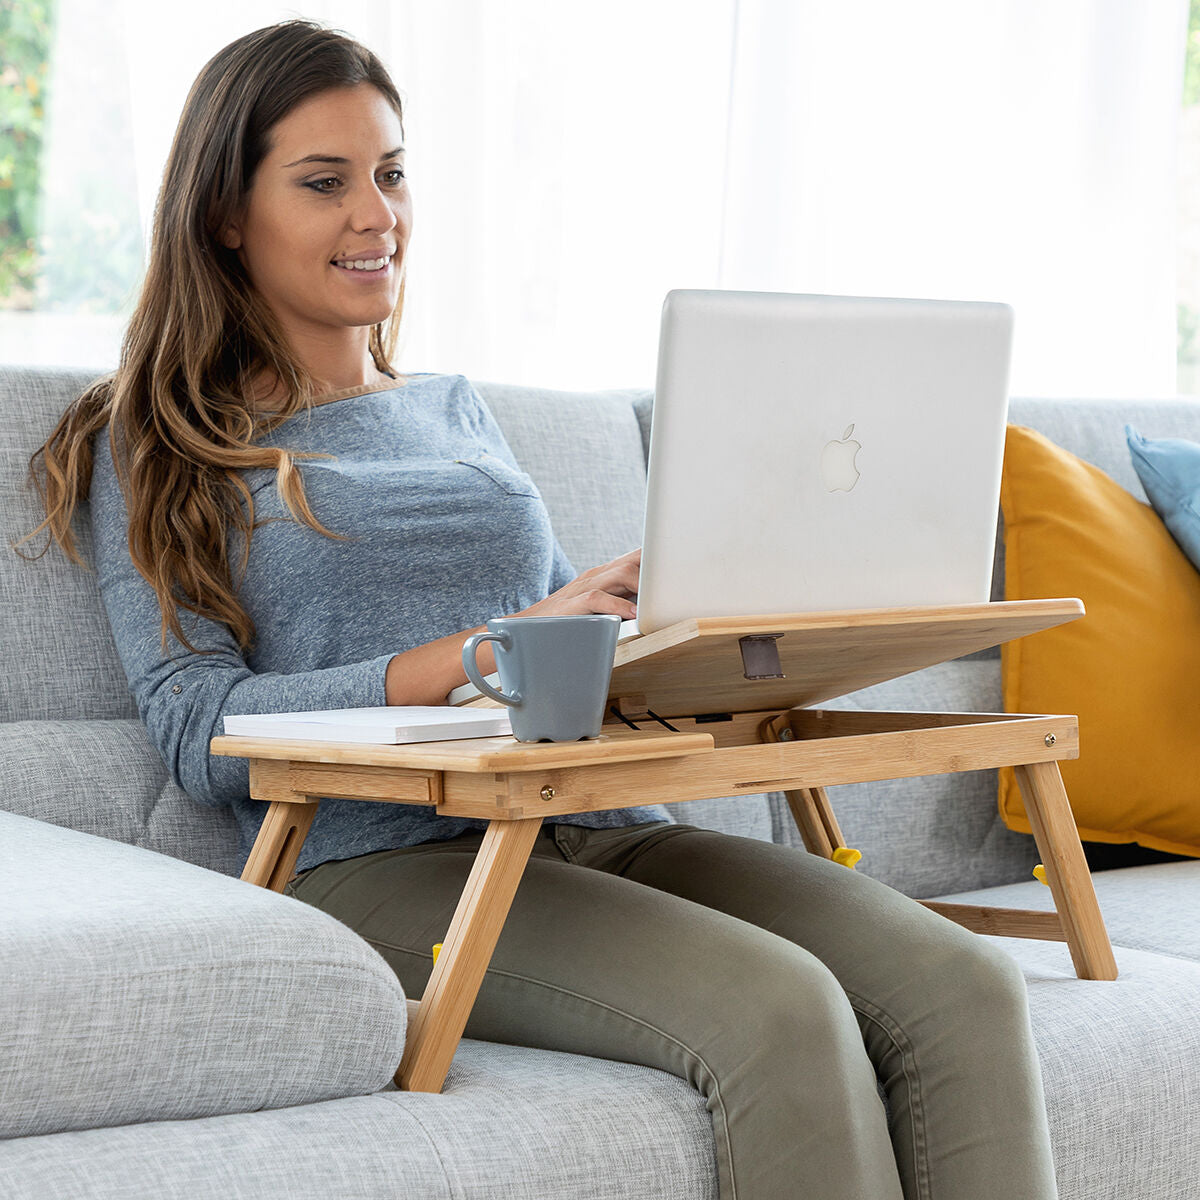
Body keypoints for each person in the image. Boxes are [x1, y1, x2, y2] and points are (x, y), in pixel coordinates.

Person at [23, 20, 1058, 1200]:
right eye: (325, 183)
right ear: (224, 212)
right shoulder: (155, 443)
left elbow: (542, 645)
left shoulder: (454, 407)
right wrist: (473, 655)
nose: (378, 215)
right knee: (782, 1017)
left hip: (584, 813)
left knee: (963, 983)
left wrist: (645, 634)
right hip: (378, 858)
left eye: (392, 173)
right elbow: (196, 726)